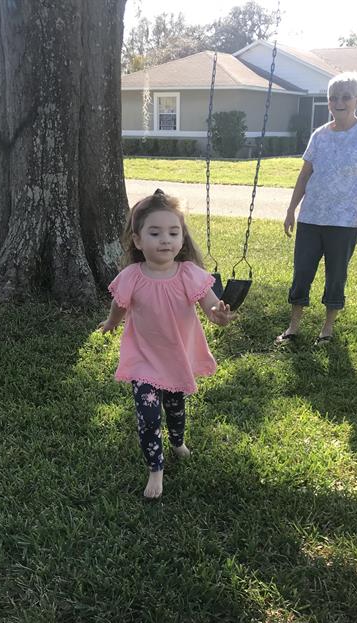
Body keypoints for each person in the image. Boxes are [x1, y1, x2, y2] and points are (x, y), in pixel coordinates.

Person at [100, 188, 235, 499]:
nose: (165, 240)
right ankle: (155, 469)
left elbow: (212, 308)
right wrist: (111, 324)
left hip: (176, 358)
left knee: (175, 409)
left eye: (174, 232)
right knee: (148, 417)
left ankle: (177, 441)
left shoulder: (189, 273)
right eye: (155, 233)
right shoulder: (132, 275)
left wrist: (220, 315)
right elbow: (120, 304)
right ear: (137, 240)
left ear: (182, 239)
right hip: (142, 359)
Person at [276, 71, 357, 347]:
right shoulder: (319, 135)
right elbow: (304, 175)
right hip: (311, 218)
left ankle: (326, 328)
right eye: (333, 97)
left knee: (336, 276)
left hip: (345, 222)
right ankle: (294, 326)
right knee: (302, 272)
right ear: (328, 102)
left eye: (345, 97)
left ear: (356, 100)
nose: (339, 102)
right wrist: (291, 210)